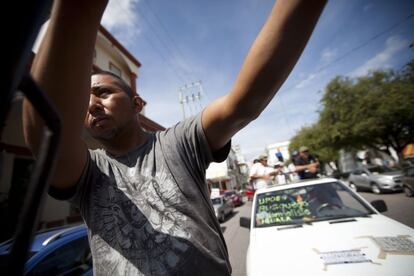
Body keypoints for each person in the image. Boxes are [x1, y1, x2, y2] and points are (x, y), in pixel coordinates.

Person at [22, 0, 326, 275]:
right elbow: (47, 133)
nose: (91, 104)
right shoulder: (88, 171)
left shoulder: (178, 143)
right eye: (84, 100)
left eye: (103, 92)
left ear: (137, 105)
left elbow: (244, 103)